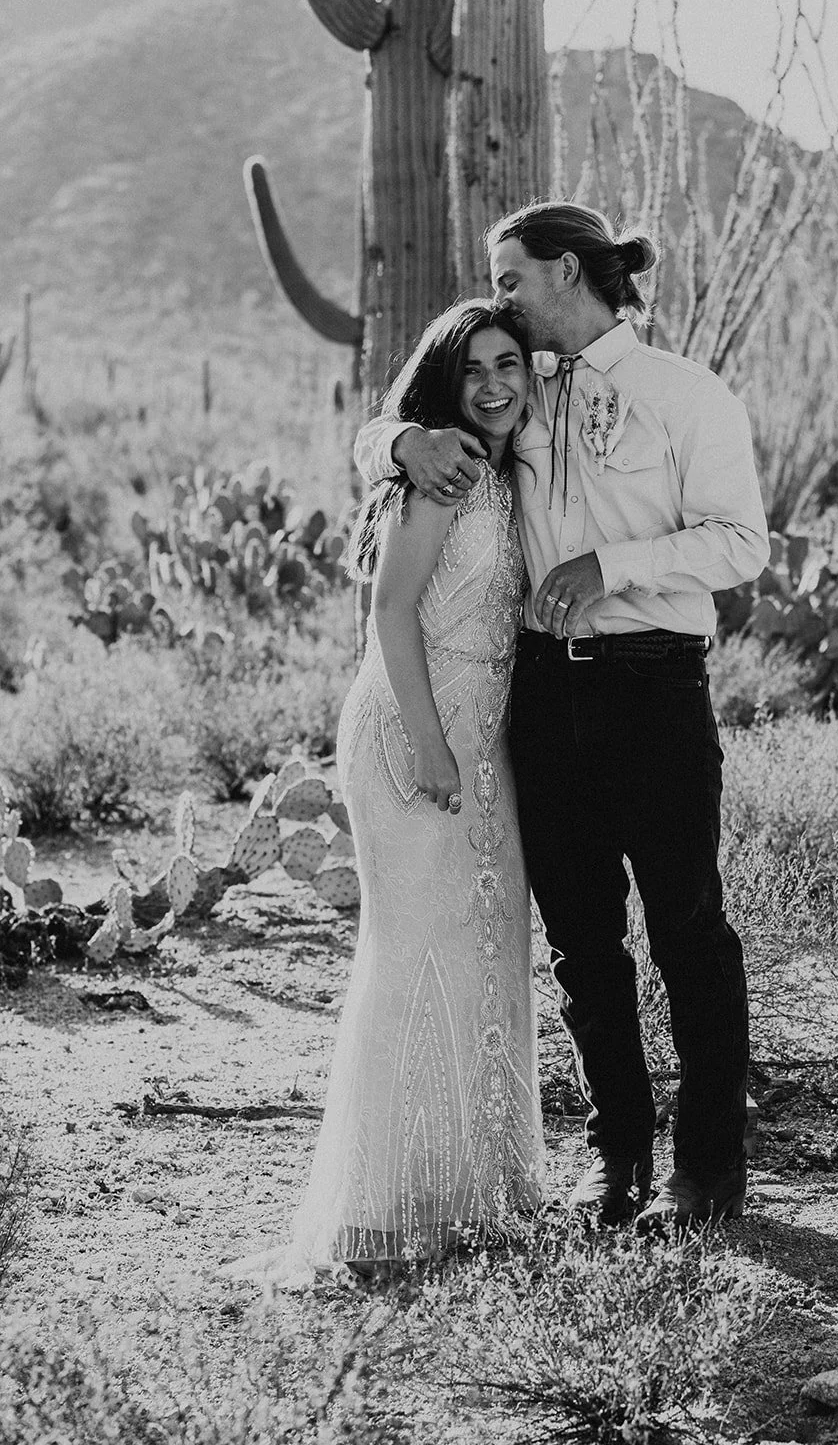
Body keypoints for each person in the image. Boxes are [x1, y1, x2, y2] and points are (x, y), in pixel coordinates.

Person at [355, 201, 770, 1234]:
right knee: (582, 944)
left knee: (686, 930)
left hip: (653, 688)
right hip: (539, 699)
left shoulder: (685, 395)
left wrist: (610, 568)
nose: (498, 298)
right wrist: (397, 440)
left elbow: (739, 543)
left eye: (509, 278)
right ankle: (614, 1158)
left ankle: (708, 1167)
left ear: (567, 273)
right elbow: (403, 414)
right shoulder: (518, 391)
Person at [226, 300, 545, 1283]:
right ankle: (378, 1211)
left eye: (508, 364)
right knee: (413, 951)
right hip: (417, 725)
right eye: (473, 371)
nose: (493, 385)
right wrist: (429, 742)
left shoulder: (500, 465)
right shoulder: (443, 469)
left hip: (483, 733)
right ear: (444, 388)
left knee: (488, 945)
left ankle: (471, 1193)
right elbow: (389, 609)